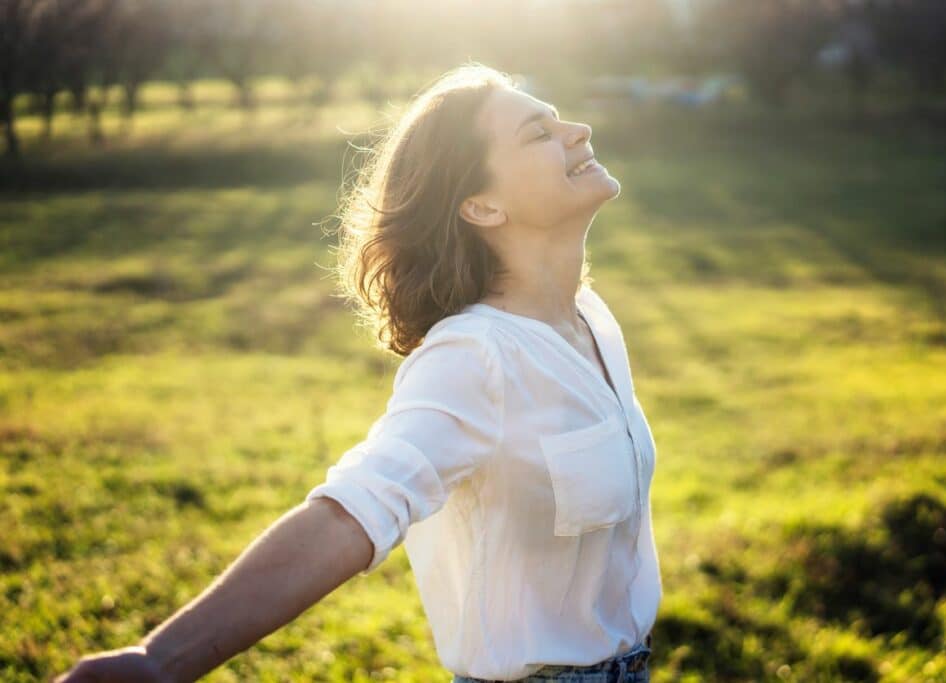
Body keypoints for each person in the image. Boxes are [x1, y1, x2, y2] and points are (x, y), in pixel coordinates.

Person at [55, 62, 661, 683]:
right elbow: (355, 510)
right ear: (481, 205)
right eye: (539, 133)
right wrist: (159, 661)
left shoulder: (591, 320)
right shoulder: (476, 356)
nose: (579, 130)